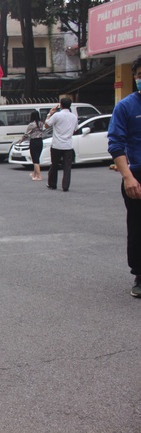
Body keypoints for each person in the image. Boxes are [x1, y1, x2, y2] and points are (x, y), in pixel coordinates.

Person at [107, 56, 141, 297]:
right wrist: (128, 177)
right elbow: (116, 144)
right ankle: (140, 276)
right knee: (138, 228)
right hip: (137, 175)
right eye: (139, 75)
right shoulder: (126, 106)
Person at [44, 98, 78, 192]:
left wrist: (50, 113)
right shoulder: (74, 117)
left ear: (61, 105)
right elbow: (75, 129)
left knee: (54, 164)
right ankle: (65, 186)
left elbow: (46, 125)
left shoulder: (57, 115)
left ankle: (52, 184)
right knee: (67, 166)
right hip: (68, 145)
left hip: (56, 144)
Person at [20, 111, 45, 181]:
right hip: (40, 141)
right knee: (37, 157)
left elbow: (26, 134)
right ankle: (34, 173)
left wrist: (21, 139)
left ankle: (39, 176)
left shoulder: (31, 124)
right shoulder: (41, 123)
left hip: (34, 141)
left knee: (35, 159)